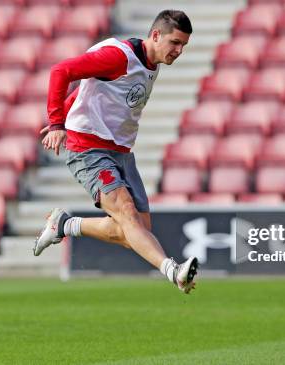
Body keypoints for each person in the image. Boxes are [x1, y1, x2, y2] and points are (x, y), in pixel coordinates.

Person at [34, 10, 198, 294]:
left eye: (183, 45)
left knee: (135, 231)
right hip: (88, 146)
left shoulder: (151, 61)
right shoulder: (118, 57)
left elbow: (89, 89)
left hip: (121, 150)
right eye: (175, 42)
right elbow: (61, 71)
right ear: (156, 35)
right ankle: (174, 272)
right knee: (126, 212)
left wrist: (70, 107)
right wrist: (57, 121)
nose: (179, 51)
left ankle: (66, 225)